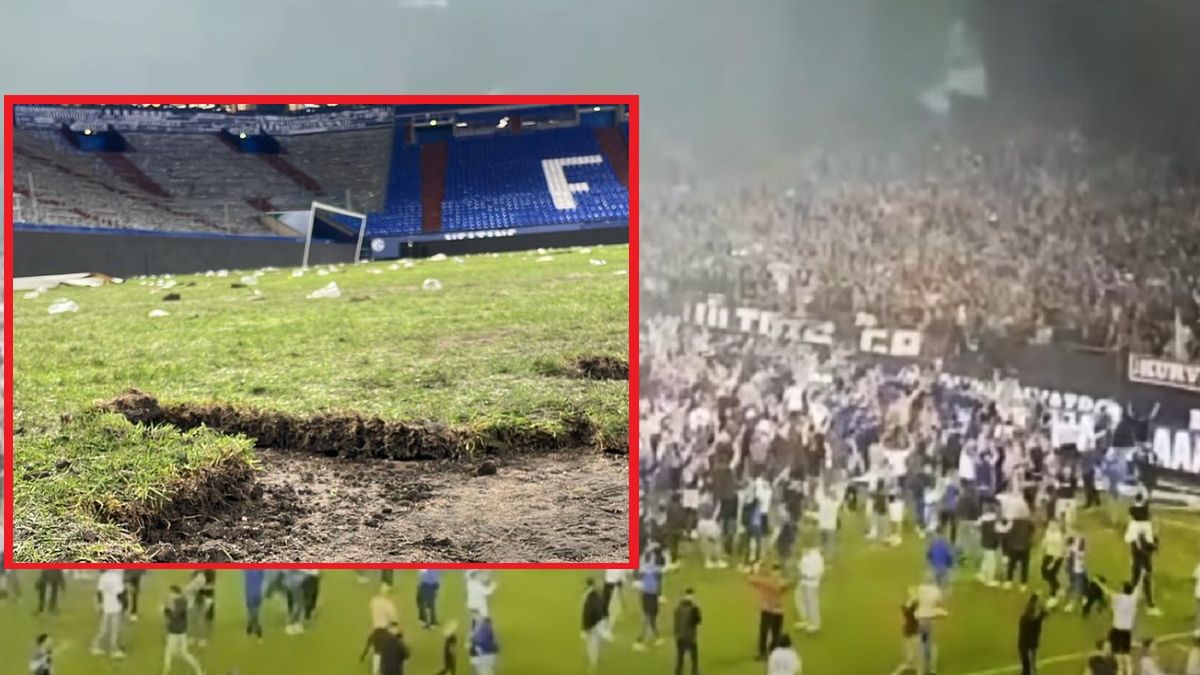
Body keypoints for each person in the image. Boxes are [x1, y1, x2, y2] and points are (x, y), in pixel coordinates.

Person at [749, 565, 791, 661]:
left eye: (777, 572)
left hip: (774, 611)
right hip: (771, 610)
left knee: (773, 633)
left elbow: (752, 580)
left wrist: (755, 571)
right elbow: (752, 580)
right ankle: (765, 652)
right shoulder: (778, 582)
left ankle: (768, 652)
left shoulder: (768, 581)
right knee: (768, 632)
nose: (776, 574)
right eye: (775, 571)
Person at [162, 584, 204, 675]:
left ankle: (166, 671)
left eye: (170, 593)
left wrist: (168, 607)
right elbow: (168, 616)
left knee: (171, 653)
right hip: (178, 631)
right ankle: (198, 670)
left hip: (176, 632)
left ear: (174, 593)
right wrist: (165, 609)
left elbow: (175, 615)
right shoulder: (177, 602)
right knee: (181, 653)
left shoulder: (181, 602)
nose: (169, 595)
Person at [914, 571, 948, 675]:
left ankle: (921, 670)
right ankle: (933, 669)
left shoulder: (920, 589)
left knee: (922, 643)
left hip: (921, 620)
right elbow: (939, 602)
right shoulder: (936, 590)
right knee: (932, 644)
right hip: (931, 619)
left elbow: (915, 600)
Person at [90, 569, 126, 658]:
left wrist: (100, 604)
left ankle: (95, 646)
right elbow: (120, 594)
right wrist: (124, 605)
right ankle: (114, 650)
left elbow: (99, 593)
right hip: (116, 606)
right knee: (115, 629)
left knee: (104, 628)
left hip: (106, 606)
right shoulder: (117, 578)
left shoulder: (103, 577)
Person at [634, 550, 665, 650]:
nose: (654, 559)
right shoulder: (654, 570)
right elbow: (659, 580)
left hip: (647, 595)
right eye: (652, 558)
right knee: (649, 618)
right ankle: (639, 641)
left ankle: (657, 637)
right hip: (650, 595)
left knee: (652, 618)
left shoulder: (643, 569)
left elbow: (637, 576)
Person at [1109, 581, 1140, 675]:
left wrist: (1098, 583)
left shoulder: (1117, 598)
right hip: (1127, 630)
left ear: (1123, 589)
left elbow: (1109, 594)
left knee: (1117, 652)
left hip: (1117, 629)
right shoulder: (1133, 599)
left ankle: (1120, 670)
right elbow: (1138, 588)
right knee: (1126, 653)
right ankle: (1129, 672)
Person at [1130, 532, 1161, 616]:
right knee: (1136, 581)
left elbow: (1154, 546)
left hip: (1144, 562)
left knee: (1145, 582)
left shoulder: (1144, 537)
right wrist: (1153, 547)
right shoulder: (1137, 539)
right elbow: (1140, 550)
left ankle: (1149, 602)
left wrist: (1154, 545)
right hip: (1139, 562)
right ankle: (1129, 598)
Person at [673, 588, 702, 675]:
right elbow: (698, 621)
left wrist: (676, 633)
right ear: (692, 596)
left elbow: (676, 622)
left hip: (680, 637)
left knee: (680, 658)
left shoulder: (678, 608)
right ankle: (694, 672)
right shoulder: (694, 608)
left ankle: (678, 673)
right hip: (690, 637)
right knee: (694, 657)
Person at [795, 545, 825, 632]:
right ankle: (806, 619)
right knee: (800, 598)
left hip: (811, 582)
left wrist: (809, 576)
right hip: (803, 581)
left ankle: (815, 623)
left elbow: (819, 571)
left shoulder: (816, 557)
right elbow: (801, 566)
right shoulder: (806, 555)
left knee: (812, 602)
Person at [891, 587, 920, 675]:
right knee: (910, 657)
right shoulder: (908, 606)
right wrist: (913, 596)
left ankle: (916, 669)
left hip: (913, 632)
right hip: (910, 632)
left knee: (915, 656)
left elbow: (913, 606)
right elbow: (909, 608)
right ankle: (906, 668)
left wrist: (913, 596)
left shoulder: (913, 606)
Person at [1017, 594, 1048, 675]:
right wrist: (1042, 608)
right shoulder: (1033, 620)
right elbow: (1044, 615)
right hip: (1029, 643)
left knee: (1027, 666)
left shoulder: (1024, 618)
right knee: (1029, 666)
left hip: (1024, 643)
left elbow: (1044, 615)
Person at [581, 578, 606, 673]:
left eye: (583, 584)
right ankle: (593, 661)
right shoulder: (592, 595)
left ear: (588, 585)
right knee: (592, 644)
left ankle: (593, 666)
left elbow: (589, 613)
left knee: (592, 645)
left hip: (592, 625)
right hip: (595, 624)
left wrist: (588, 627)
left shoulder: (591, 597)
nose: (582, 586)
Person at [1040, 522, 1066, 606]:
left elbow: (1060, 550)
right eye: (1050, 525)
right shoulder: (1048, 533)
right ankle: (1059, 588)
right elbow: (1045, 544)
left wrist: (1053, 563)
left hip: (1057, 557)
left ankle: (1053, 597)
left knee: (1051, 575)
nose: (1051, 526)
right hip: (1048, 554)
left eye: (1053, 525)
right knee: (1044, 573)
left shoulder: (1058, 536)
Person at [243, 569, 264, 642]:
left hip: (256, 594)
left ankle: (257, 632)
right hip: (250, 593)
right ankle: (250, 630)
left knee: (255, 614)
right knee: (251, 613)